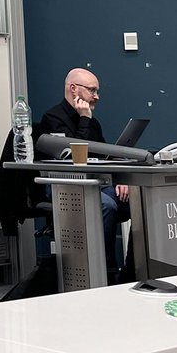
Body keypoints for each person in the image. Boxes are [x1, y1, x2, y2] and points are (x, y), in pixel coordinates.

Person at [38, 68, 129, 270]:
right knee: (107, 205)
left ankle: (131, 268)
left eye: (97, 91)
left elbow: (103, 154)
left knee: (134, 201)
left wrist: (120, 178)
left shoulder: (92, 121)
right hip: (62, 182)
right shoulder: (53, 118)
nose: (96, 96)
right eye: (92, 90)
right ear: (74, 89)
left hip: (93, 181)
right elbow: (73, 158)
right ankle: (101, 268)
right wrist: (84, 119)